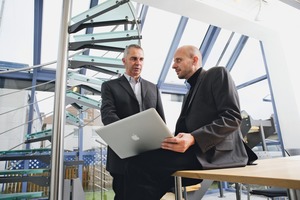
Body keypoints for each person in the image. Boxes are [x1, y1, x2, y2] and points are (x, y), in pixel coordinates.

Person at [122, 45, 257, 200]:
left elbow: (232, 117)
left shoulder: (217, 74)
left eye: (178, 60)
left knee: (139, 166)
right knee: (135, 166)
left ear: (194, 60)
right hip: (194, 152)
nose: (173, 66)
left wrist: (193, 138)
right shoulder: (189, 92)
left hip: (216, 152)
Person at [100, 44, 165, 200]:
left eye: (141, 59)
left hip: (150, 156)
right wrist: (128, 135)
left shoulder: (153, 88)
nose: (138, 63)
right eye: (133, 58)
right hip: (123, 157)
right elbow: (108, 115)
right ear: (124, 61)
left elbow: (160, 119)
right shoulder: (110, 86)